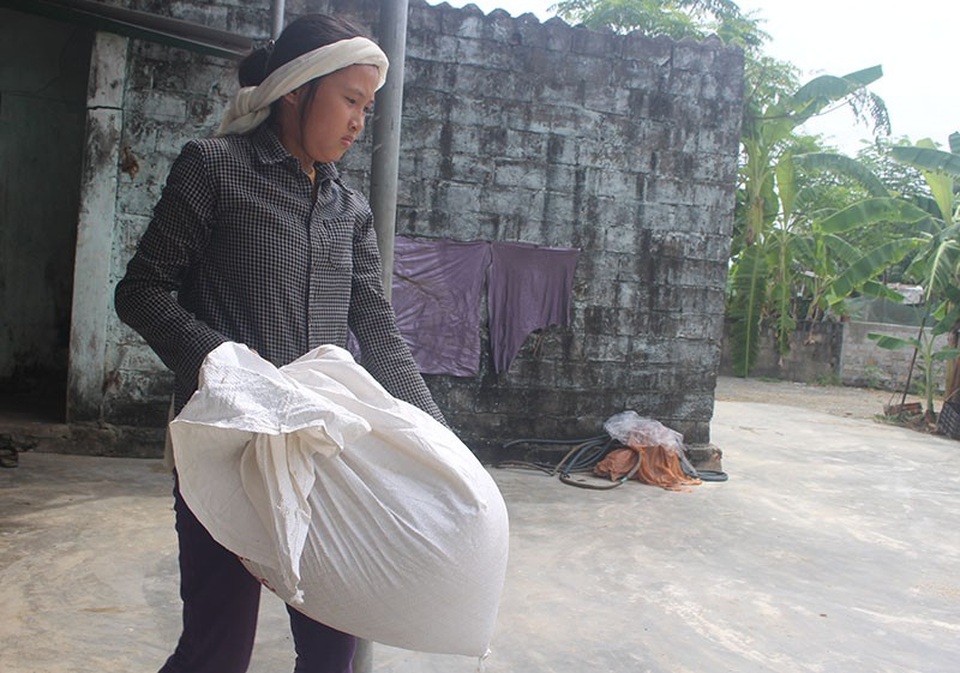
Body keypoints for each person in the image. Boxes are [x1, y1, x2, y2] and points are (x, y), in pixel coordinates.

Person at [115, 13, 444, 673]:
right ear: (296, 89)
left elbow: (377, 328)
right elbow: (141, 291)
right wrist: (225, 365)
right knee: (217, 651)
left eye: (367, 107)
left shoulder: (349, 210)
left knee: (332, 651)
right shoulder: (215, 168)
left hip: (319, 454)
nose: (359, 122)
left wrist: (438, 438)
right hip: (226, 448)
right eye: (349, 100)